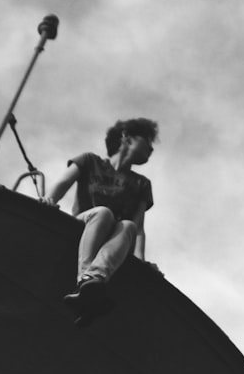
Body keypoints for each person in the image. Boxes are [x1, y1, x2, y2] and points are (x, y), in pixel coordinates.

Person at [44, 118, 159, 307]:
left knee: (128, 225)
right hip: (84, 224)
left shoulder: (141, 184)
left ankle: (94, 279)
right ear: (126, 137)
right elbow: (63, 183)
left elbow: (138, 228)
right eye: (147, 140)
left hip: (113, 239)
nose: (151, 149)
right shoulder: (89, 161)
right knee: (103, 213)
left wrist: (141, 262)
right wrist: (49, 200)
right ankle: (85, 278)